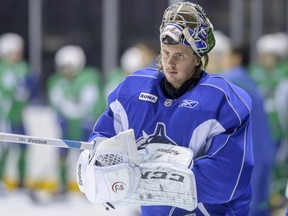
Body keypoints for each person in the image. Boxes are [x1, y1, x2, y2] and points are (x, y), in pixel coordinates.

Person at [76, 2, 254, 215]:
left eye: (179, 55)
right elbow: (102, 140)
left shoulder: (224, 102)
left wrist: (147, 173)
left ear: (198, 59)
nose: (170, 63)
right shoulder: (131, 92)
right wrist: (101, 163)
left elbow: (226, 180)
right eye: (166, 52)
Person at [219, 42, 274, 216]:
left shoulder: (227, 81)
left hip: (244, 157)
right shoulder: (251, 81)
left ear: (236, 58)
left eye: (226, 56)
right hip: (264, 153)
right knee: (260, 206)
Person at [47, 45, 105, 196]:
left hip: (85, 127)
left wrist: (91, 120)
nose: (66, 70)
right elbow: (56, 103)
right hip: (67, 127)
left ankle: (89, 187)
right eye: (63, 67)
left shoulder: (89, 78)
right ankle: (62, 185)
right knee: (61, 155)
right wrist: (60, 119)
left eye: (69, 66)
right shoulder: (56, 81)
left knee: (87, 159)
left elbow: (94, 101)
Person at [0, 33, 31, 190]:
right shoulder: (3, 69)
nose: (19, 54)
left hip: (18, 116)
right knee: (4, 149)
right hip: (5, 117)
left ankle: (22, 182)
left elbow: (25, 91)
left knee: (24, 147)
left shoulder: (22, 68)